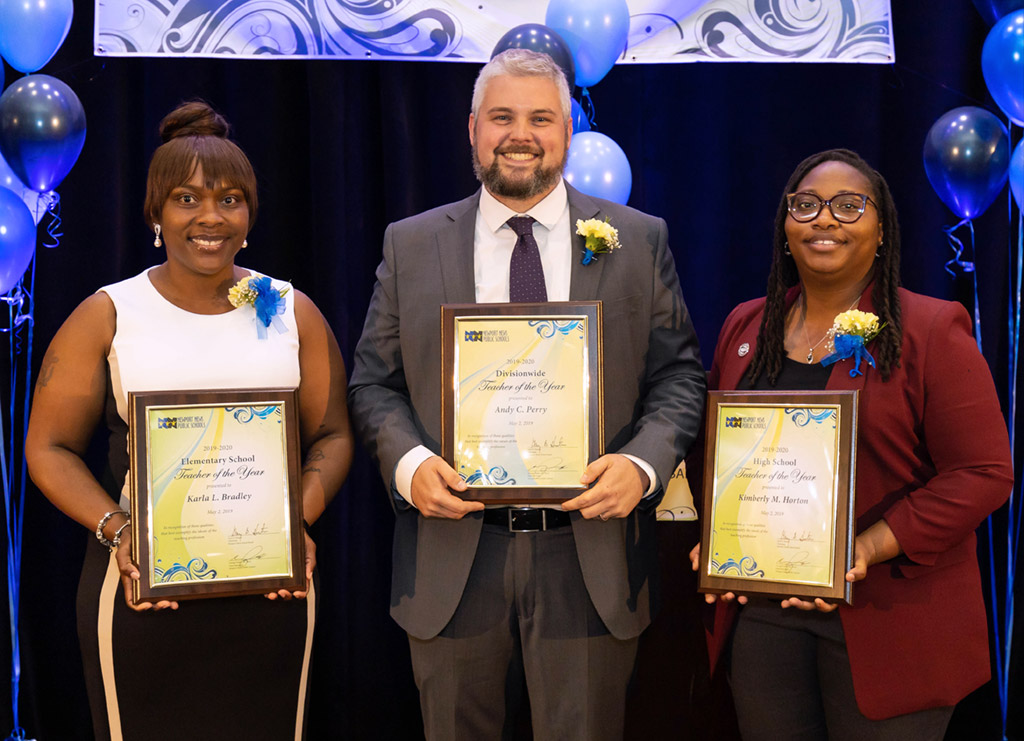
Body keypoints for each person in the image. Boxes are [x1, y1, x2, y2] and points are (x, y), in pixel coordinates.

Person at [348, 48, 705, 738]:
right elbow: (373, 382)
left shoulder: (636, 239)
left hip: (590, 557)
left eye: (541, 118)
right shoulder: (411, 244)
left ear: (568, 132)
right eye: (502, 116)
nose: (521, 134)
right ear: (473, 129)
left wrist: (640, 465)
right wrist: (409, 464)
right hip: (453, 553)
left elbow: (680, 376)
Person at [24, 101, 353, 740]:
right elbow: (49, 448)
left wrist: (295, 524)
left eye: (231, 199)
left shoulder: (292, 311)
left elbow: (335, 435)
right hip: (143, 589)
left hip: (270, 594)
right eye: (186, 198)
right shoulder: (109, 313)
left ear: (250, 216)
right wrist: (119, 533)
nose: (210, 216)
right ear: (155, 214)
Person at [690, 148, 1013, 739]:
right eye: (806, 205)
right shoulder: (746, 326)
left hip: (890, 621)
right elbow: (717, 450)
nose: (825, 220)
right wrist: (715, 534)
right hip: (763, 618)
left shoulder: (930, 329)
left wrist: (867, 547)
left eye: (848, 206)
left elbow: (985, 472)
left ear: (881, 229)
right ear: (786, 227)